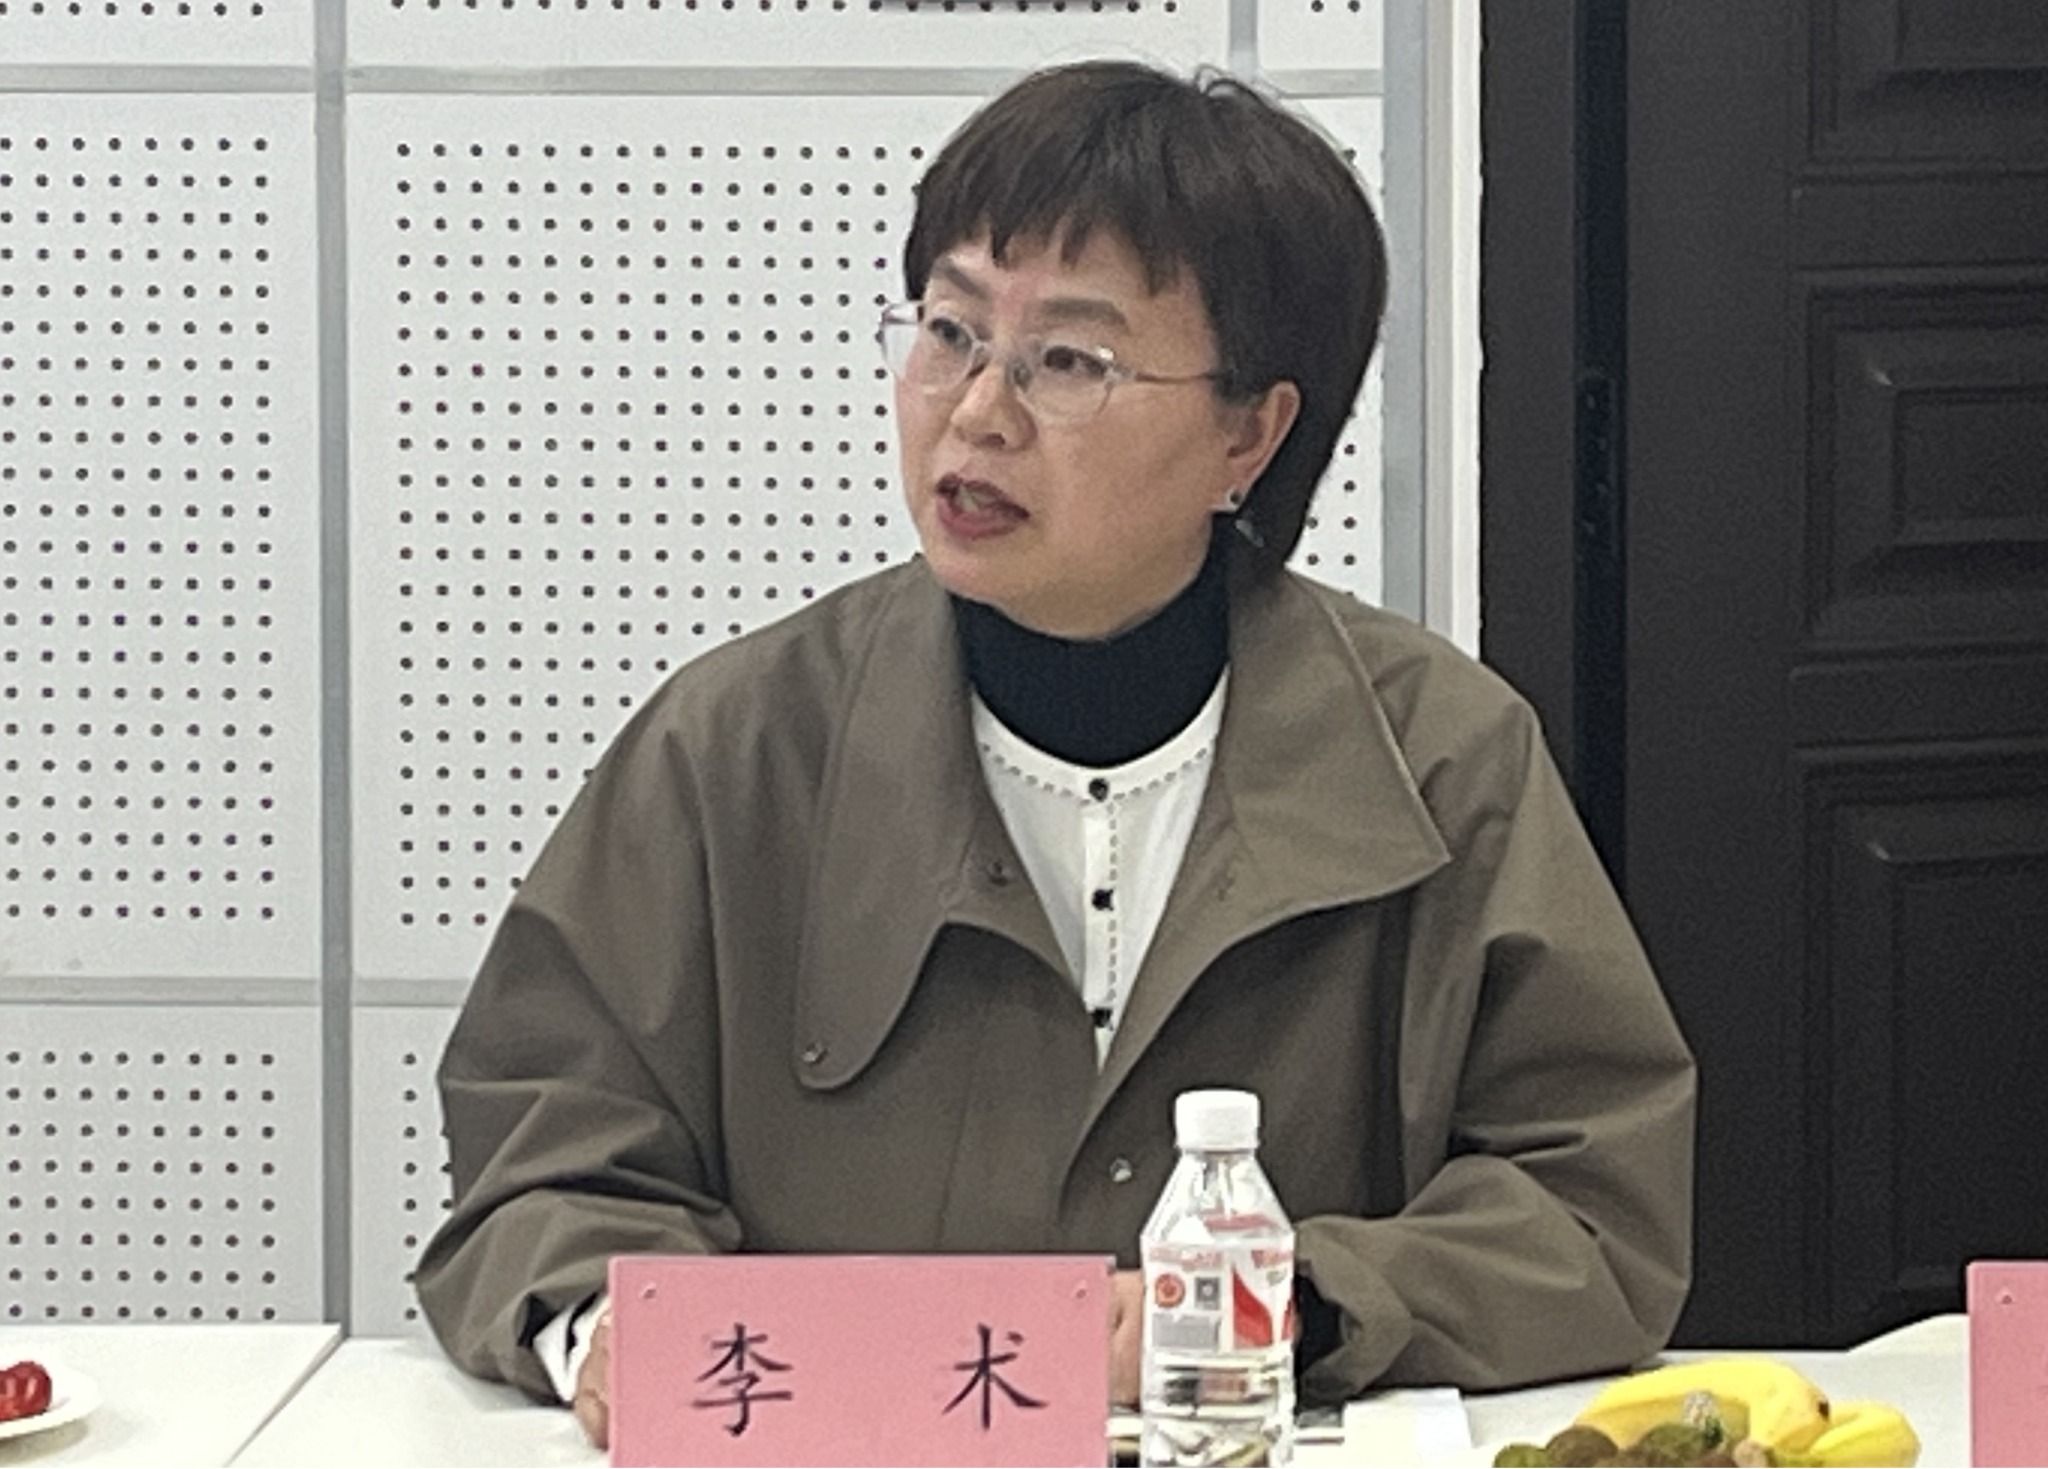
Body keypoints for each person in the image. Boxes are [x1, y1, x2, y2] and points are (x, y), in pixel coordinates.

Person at [415, 59, 1696, 1449]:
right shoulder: (735, 748)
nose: (977, 410)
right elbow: (544, 1165)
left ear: (1249, 434)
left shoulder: (1441, 758)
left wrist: (1294, 1304)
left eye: (1069, 361)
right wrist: (606, 1328)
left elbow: (1590, 1207)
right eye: (951, 331)